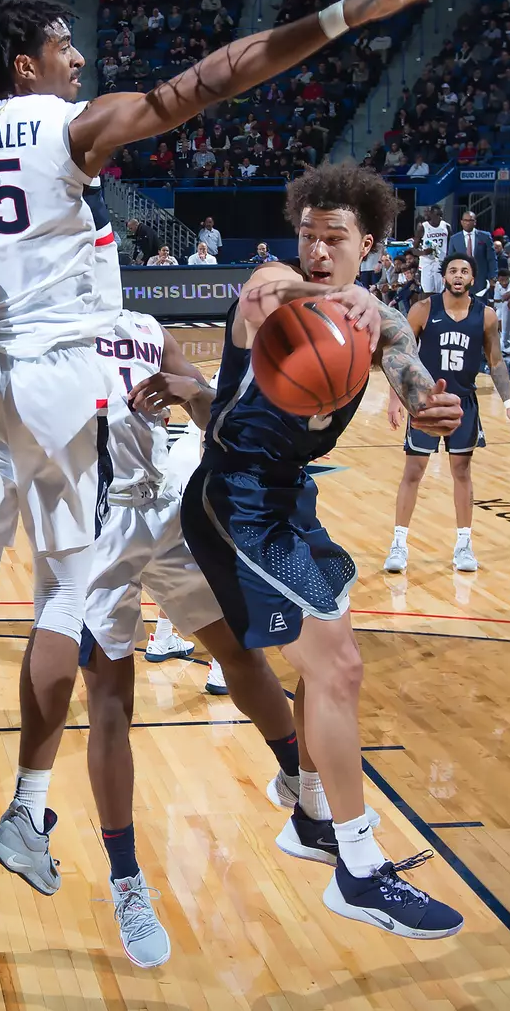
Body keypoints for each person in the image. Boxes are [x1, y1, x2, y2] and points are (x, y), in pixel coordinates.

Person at [0, 0, 450, 918]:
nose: (80, 59)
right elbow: (204, 83)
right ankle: (48, 816)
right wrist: (343, 16)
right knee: (82, 609)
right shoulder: (70, 132)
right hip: (92, 404)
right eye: (65, 46)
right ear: (28, 64)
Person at [181, 162, 466, 939]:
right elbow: (267, 292)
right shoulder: (272, 288)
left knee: (328, 668)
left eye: (333, 238)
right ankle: (359, 870)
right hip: (233, 498)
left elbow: (412, 379)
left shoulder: (383, 323)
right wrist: (337, 297)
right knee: (339, 668)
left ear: (367, 244)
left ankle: (311, 818)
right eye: (307, 234)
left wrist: (432, 409)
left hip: (288, 498)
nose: (314, 249)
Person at [46, 307, 330, 966]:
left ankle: (301, 786)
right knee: (110, 700)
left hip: (166, 510)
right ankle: (127, 882)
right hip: (95, 529)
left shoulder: (146, 329)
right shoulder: (42, 332)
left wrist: (189, 390)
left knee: (239, 653)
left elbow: (213, 416)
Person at [383, 253, 510, 573]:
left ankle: (464, 545)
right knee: (413, 471)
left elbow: (496, 362)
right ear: (444, 276)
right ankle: (399, 544)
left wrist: (509, 404)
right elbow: (399, 355)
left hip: (463, 404)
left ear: (473, 279)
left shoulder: (486, 315)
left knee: (462, 472)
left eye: (464, 271)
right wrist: (395, 399)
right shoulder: (423, 309)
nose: (458, 276)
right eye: (453, 271)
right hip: (426, 403)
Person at [447, 209, 497, 298]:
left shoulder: (485, 236)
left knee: (480, 303)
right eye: (465, 220)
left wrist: (493, 276)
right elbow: (450, 260)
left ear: (475, 222)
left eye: (470, 220)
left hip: (481, 278)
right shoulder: (454, 239)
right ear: (461, 222)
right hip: (461, 277)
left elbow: (492, 258)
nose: (467, 223)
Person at [415, 204, 451, 294]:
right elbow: (413, 249)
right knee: (427, 291)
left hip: (441, 261)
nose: (440, 217)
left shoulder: (446, 226)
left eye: (440, 215)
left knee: (440, 291)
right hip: (427, 263)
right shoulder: (423, 227)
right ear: (431, 214)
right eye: (437, 214)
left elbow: (451, 245)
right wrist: (423, 253)